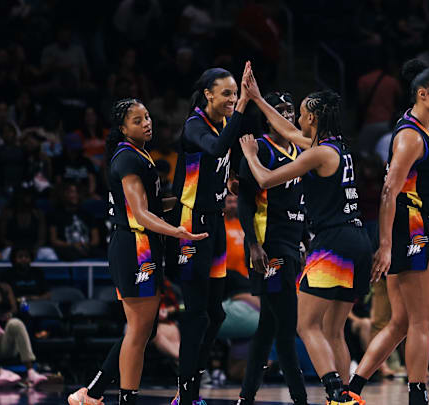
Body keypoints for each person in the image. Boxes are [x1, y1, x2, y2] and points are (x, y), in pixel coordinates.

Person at [240, 68, 371, 405]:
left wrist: (252, 156)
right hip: (358, 241)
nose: (295, 119)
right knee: (332, 330)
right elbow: (286, 130)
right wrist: (256, 98)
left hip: (334, 242)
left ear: (311, 117)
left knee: (305, 324)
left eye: (300, 114)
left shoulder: (316, 153)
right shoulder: (333, 147)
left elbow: (267, 180)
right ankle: (347, 395)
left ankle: (334, 393)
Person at [67, 98, 206, 405]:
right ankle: (125, 399)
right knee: (138, 330)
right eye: (137, 120)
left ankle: (91, 394)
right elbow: (142, 214)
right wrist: (177, 231)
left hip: (146, 245)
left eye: (147, 117)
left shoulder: (140, 154)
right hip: (134, 246)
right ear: (122, 128)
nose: (147, 123)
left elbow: (155, 206)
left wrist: (191, 204)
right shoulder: (126, 158)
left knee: (144, 328)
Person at [347, 59, 429, 405]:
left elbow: (415, 188)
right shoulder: (410, 136)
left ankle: (351, 391)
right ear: (423, 94)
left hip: (414, 222)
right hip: (408, 230)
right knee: (422, 322)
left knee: (399, 323)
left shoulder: (426, 130)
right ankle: (418, 396)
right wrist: (384, 246)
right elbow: (388, 191)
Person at [168, 62, 251, 405]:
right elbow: (215, 150)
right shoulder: (193, 126)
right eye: (227, 93)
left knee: (215, 313)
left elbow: (223, 158)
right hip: (191, 226)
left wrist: (231, 177)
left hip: (215, 222)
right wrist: (245, 105)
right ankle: (186, 395)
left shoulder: (224, 124)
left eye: (235, 93)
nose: (232, 98)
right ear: (208, 95)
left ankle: (189, 389)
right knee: (197, 313)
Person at [236, 91, 307, 405]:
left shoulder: (301, 149)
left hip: (293, 243)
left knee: (267, 328)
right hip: (270, 246)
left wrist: (305, 238)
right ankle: (300, 398)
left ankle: (245, 397)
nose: (287, 115)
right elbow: (243, 201)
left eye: (290, 110)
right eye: (280, 110)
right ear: (267, 116)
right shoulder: (258, 148)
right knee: (286, 328)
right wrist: (253, 245)